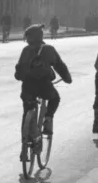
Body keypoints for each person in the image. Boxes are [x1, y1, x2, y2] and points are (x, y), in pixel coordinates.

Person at [15, 24, 72, 153]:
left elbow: (19, 72)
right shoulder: (49, 49)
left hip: (28, 86)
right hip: (44, 86)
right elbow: (59, 66)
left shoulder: (25, 51)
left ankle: (25, 142)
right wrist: (67, 78)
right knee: (55, 98)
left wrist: (21, 76)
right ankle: (48, 118)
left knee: (27, 110)